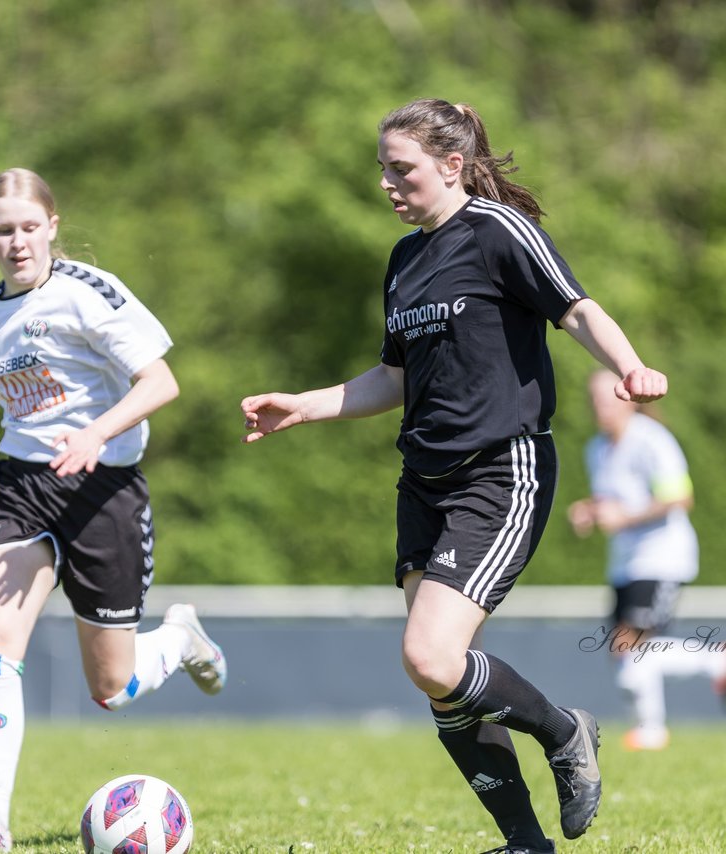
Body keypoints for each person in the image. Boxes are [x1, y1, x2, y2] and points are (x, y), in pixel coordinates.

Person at [240, 98, 669, 854]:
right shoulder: (405, 260)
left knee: (429, 657)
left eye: (399, 168)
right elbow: (391, 377)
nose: (386, 183)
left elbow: (575, 310)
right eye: (381, 169)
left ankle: (565, 730)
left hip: (500, 470)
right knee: (441, 681)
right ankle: (525, 843)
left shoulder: (499, 232)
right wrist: (304, 407)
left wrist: (629, 365)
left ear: (451, 165)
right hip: (424, 481)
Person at [0, 168, 226, 852]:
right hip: (23, 491)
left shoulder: (89, 294)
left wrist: (96, 433)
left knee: (111, 688)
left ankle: (180, 640)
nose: (18, 242)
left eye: (30, 228)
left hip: (104, 492)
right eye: (3, 230)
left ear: (52, 227)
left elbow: (161, 381)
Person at [568, 369, 726, 751]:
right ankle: (718, 661)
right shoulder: (596, 449)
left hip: (663, 556)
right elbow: (614, 500)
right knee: (623, 652)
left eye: (608, 398)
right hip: (625, 563)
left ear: (629, 399)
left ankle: (651, 729)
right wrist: (591, 510)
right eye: (594, 399)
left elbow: (679, 497)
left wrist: (624, 517)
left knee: (630, 648)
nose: (599, 406)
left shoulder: (652, 440)